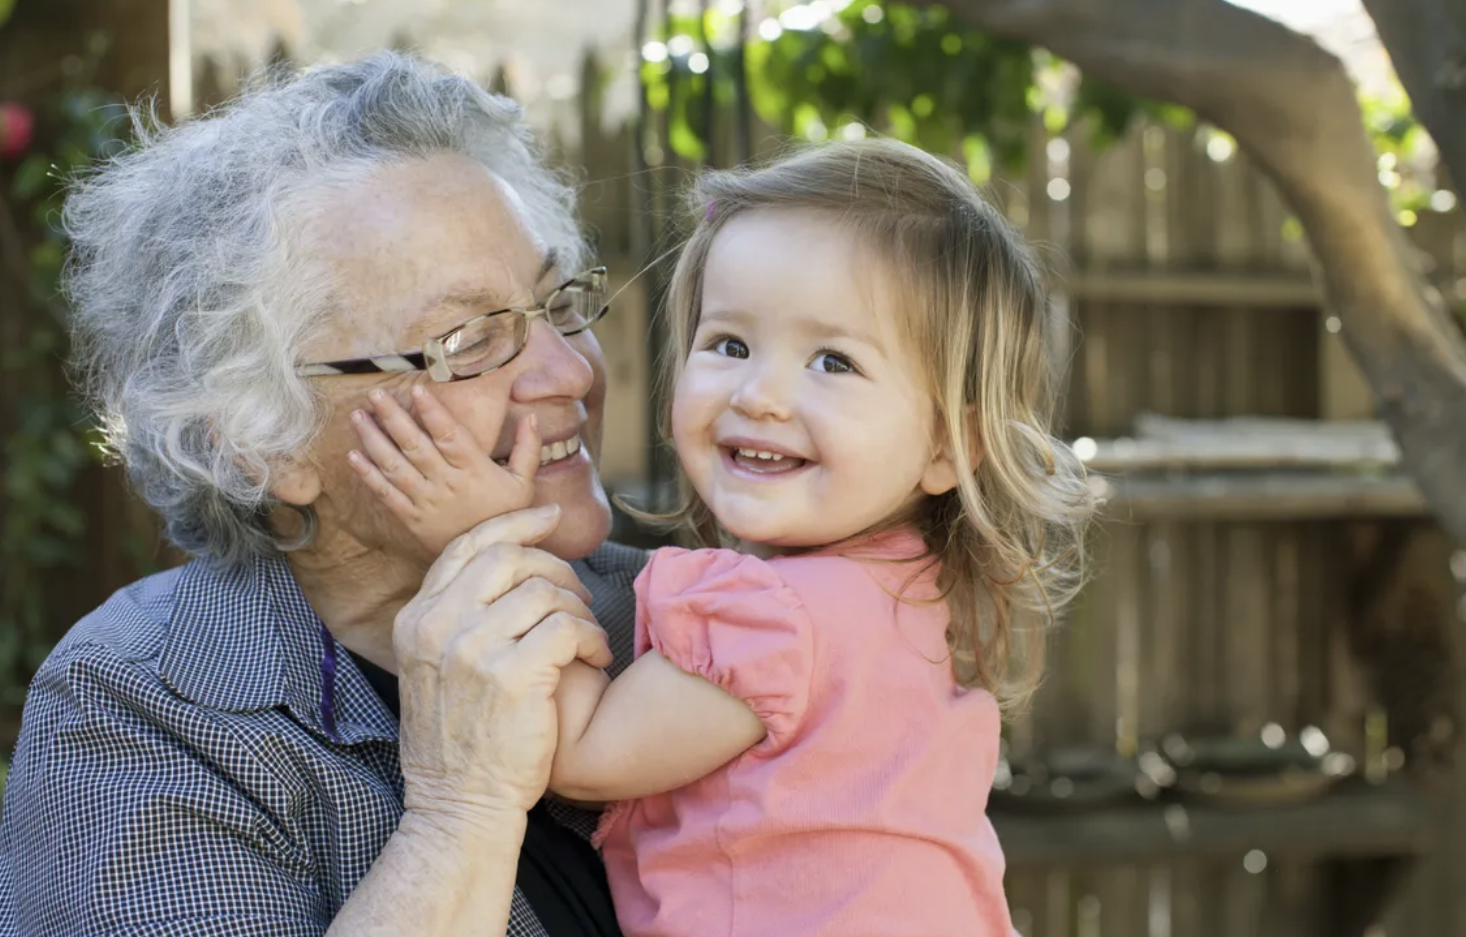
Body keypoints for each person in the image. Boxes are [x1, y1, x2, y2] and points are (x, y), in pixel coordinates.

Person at [353, 137, 1098, 936]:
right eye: (731, 345)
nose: (763, 395)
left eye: (834, 362)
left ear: (948, 445)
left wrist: (487, 535)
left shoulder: (770, 615)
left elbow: (579, 755)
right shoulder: (902, 587)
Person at [0, 52, 641, 937]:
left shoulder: (674, 617)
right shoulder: (143, 713)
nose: (569, 370)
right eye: (467, 341)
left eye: (556, 303)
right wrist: (462, 808)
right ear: (265, 437)